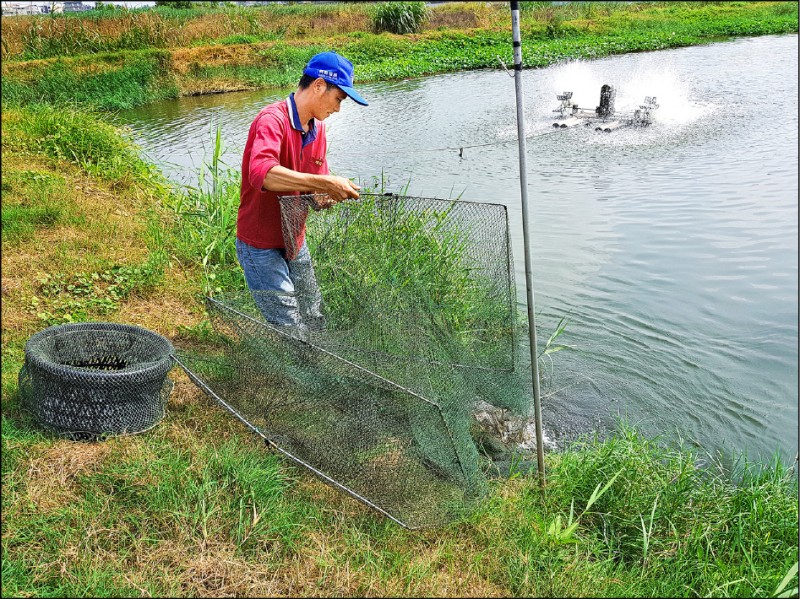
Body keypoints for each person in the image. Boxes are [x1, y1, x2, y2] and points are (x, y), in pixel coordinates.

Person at [235, 51, 368, 337]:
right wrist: (325, 184)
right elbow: (263, 173)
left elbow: (317, 185)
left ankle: (316, 358)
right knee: (289, 322)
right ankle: (304, 373)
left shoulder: (317, 131)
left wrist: (325, 195)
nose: (338, 109)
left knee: (313, 310)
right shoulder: (272, 120)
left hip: (295, 237)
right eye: (339, 99)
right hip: (260, 244)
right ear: (319, 85)